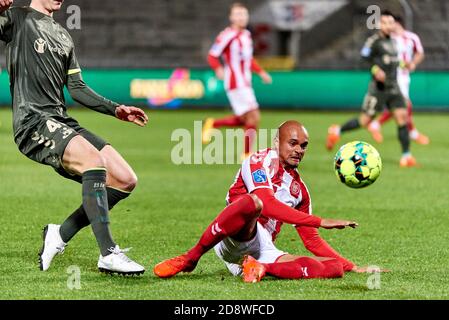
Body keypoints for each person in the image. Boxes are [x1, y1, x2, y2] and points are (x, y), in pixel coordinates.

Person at [0, 0, 149, 275]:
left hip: (61, 120)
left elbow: (77, 88)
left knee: (125, 179)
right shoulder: (17, 18)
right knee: (94, 161)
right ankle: (108, 253)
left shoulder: (63, 34)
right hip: (33, 121)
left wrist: (115, 109)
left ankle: (60, 234)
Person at [154, 120, 371, 283]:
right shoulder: (258, 161)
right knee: (253, 203)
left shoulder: (300, 191)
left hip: (262, 248)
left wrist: (351, 266)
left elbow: (311, 240)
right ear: (277, 142)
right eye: (292, 143)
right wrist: (320, 220)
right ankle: (191, 258)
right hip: (234, 235)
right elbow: (266, 203)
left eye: (303, 146)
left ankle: (261, 268)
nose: (298, 150)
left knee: (334, 268)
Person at [326, 11, 416, 167]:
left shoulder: (394, 42)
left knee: (403, 118)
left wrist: (404, 65)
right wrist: (375, 70)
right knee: (364, 120)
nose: (389, 25)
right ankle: (337, 131)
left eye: (391, 22)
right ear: (380, 24)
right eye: (386, 22)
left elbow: (394, 62)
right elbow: (362, 60)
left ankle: (406, 156)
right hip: (378, 89)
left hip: (394, 87)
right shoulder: (373, 41)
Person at [202, 2, 272, 160]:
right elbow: (212, 55)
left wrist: (261, 72)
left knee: (244, 119)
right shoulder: (228, 34)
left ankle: (213, 124)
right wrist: (218, 68)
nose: (241, 17)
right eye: (238, 14)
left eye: (244, 14)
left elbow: (248, 59)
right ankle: (247, 153)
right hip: (235, 83)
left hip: (245, 83)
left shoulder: (246, 35)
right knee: (254, 116)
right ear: (231, 17)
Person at [367, 15, 429, 145]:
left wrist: (413, 63)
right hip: (392, 75)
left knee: (400, 106)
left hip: (405, 76)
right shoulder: (388, 39)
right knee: (404, 105)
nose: (389, 26)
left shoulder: (411, 37)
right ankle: (412, 133)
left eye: (391, 23)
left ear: (397, 24)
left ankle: (375, 124)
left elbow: (420, 53)